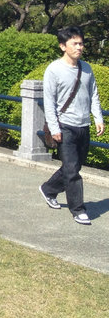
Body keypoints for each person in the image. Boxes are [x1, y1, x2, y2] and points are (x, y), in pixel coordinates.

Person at [39, 26, 104, 224]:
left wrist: (98, 117)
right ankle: (78, 210)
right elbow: (48, 101)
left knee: (73, 166)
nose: (79, 47)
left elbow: (93, 93)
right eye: (74, 43)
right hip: (64, 126)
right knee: (72, 171)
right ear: (62, 46)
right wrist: (55, 128)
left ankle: (48, 189)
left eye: (81, 43)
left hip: (83, 126)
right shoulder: (54, 69)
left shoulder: (86, 68)